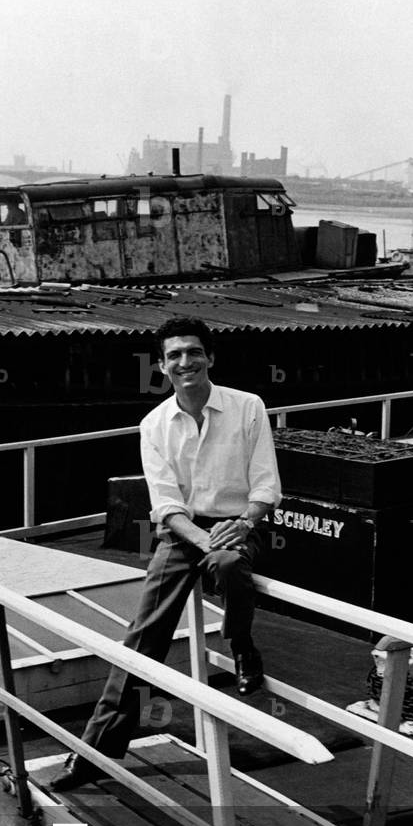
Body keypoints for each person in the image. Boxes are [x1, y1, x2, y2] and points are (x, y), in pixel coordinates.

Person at [50, 315, 282, 790]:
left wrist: (241, 524)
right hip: (181, 534)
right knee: (142, 639)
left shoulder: (248, 407)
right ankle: (93, 756)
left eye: (193, 352)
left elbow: (265, 485)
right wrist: (203, 539)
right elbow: (166, 504)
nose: (185, 362)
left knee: (231, 561)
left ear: (210, 357)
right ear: (161, 366)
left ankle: (241, 645)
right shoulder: (154, 424)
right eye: (174, 355)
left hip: (239, 525)